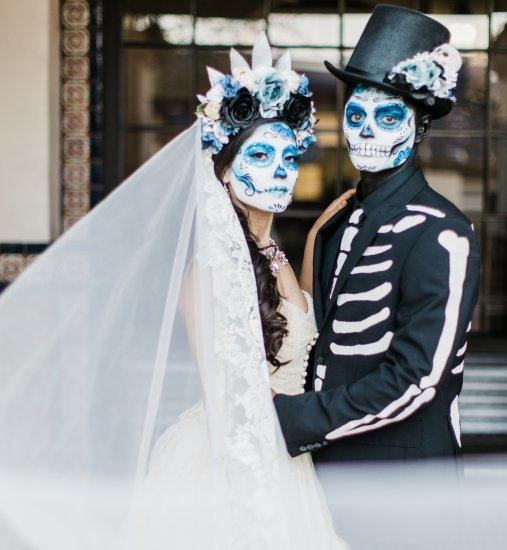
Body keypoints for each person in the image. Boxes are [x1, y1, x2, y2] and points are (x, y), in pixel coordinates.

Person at [0, 34, 347, 549]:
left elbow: (296, 324)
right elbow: (229, 399)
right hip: (233, 461)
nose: (279, 168)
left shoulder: (275, 257)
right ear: (225, 171)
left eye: (288, 155)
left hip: (289, 455)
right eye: (259, 154)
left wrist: (318, 235)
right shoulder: (208, 271)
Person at [273, 5, 481, 463]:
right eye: (356, 114)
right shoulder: (336, 222)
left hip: (400, 475)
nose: (367, 130)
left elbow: (419, 378)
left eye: (388, 117)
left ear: (420, 125)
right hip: (322, 468)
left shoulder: (442, 232)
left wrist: (294, 419)